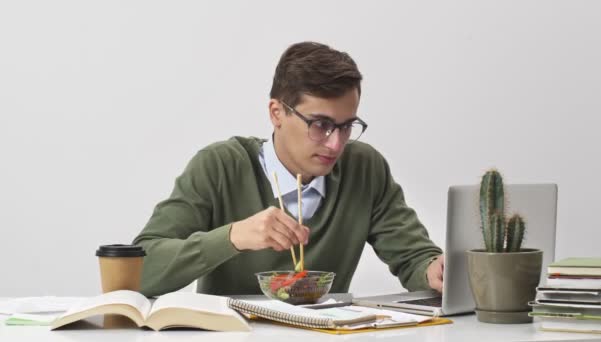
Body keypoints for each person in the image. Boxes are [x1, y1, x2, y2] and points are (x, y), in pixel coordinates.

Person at [133, 41, 444, 297]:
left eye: (346, 126)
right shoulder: (219, 166)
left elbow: (415, 259)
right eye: (320, 125)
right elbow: (139, 271)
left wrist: (435, 270)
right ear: (277, 113)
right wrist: (232, 236)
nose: (336, 145)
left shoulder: (364, 168)